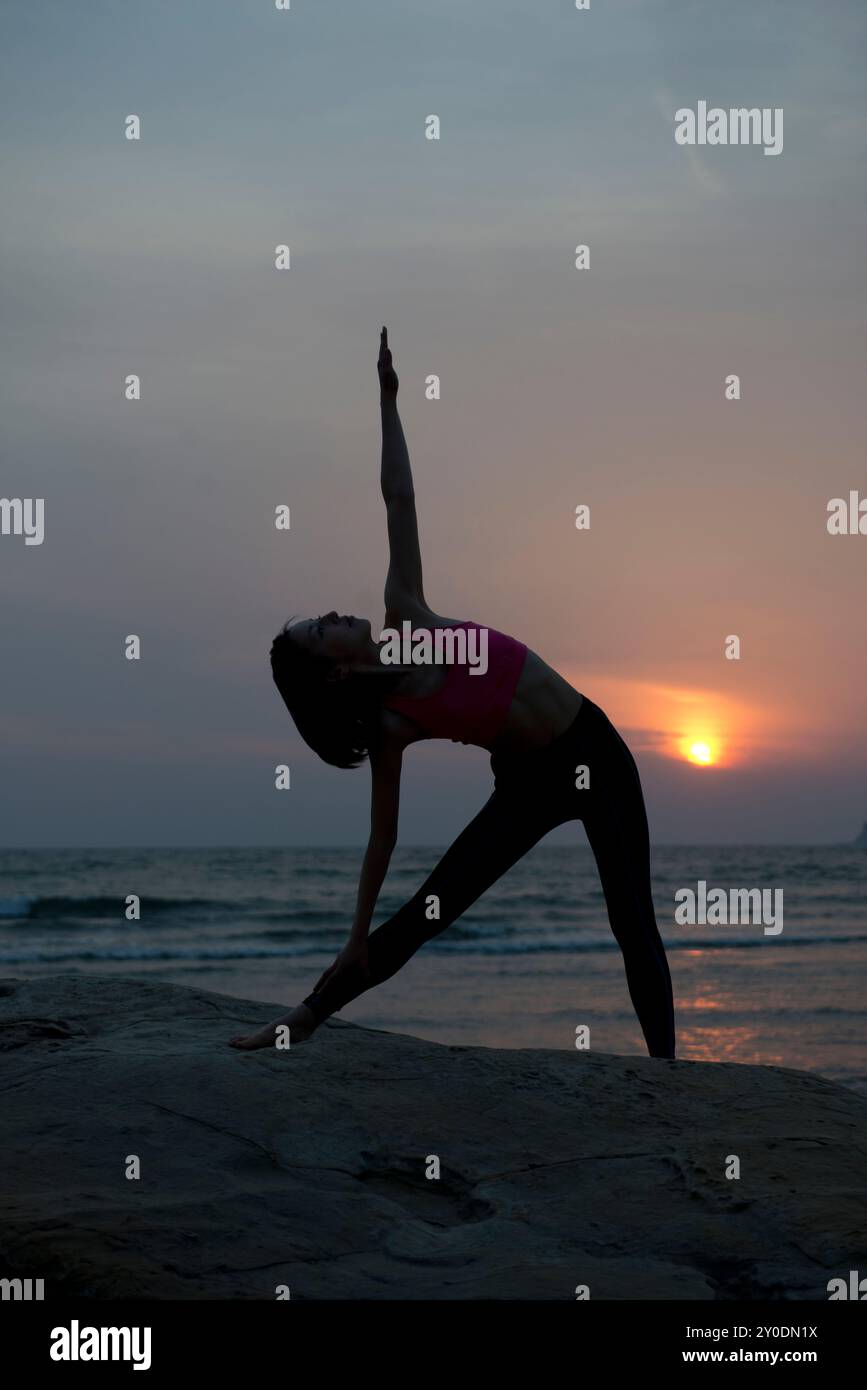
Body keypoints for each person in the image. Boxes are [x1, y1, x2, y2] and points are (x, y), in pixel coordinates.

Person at [229, 328, 675, 1058]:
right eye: (322, 631)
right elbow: (382, 840)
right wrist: (353, 936)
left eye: (322, 617)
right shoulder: (391, 723)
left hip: (594, 750)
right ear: (334, 672)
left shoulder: (405, 609)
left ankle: (669, 1075)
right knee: (428, 910)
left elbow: (397, 497)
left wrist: (387, 400)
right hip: (529, 782)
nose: (336, 615)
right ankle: (302, 1021)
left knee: (631, 917)